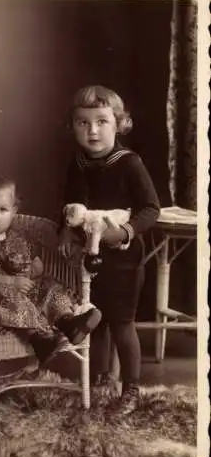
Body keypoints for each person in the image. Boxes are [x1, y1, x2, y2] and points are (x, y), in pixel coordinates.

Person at [59, 85, 160, 415]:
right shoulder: (78, 163)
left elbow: (151, 209)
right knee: (94, 319)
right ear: (73, 126)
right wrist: (65, 231)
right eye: (82, 123)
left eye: (102, 122)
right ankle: (102, 378)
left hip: (124, 258)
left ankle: (130, 388)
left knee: (121, 323)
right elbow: (72, 204)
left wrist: (125, 231)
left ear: (119, 124)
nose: (92, 131)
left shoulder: (129, 163)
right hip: (90, 257)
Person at [0, 173, 102, 367]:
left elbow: (32, 258)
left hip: (28, 289)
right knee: (12, 299)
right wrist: (9, 282)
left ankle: (67, 322)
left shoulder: (17, 235)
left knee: (50, 286)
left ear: (13, 211)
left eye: (2, 210)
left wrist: (36, 265)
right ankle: (39, 338)